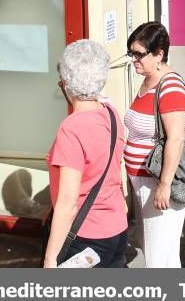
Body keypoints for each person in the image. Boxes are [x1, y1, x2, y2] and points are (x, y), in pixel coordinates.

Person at [44, 40, 127, 268]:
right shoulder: (110, 112)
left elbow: (69, 203)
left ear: (66, 83)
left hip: (86, 236)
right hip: (117, 228)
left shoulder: (71, 129)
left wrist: (51, 258)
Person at [123, 22, 185, 267]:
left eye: (140, 54)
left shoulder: (169, 86)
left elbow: (176, 138)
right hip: (142, 182)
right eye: (132, 53)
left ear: (159, 54)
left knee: (158, 259)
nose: (134, 59)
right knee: (160, 254)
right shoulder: (148, 80)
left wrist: (164, 185)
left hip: (156, 184)